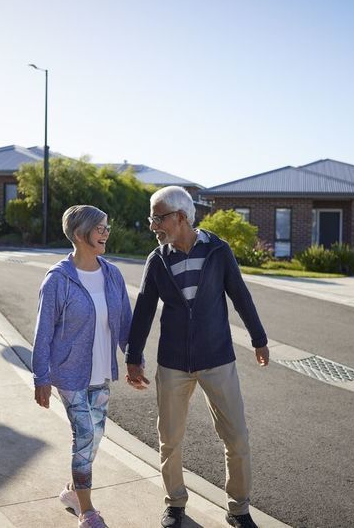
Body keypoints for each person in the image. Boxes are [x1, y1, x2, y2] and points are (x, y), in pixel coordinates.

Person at [125, 186, 269, 528]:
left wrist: (259, 338)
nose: (153, 226)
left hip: (218, 358)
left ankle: (239, 509)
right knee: (170, 438)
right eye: (151, 218)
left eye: (157, 218)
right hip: (173, 363)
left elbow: (240, 295)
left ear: (180, 217)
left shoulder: (218, 250)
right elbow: (144, 308)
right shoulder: (158, 259)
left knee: (236, 436)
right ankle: (175, 503)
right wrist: (134, 356)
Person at [32, 205, 132, 528]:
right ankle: (87, 512)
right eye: (99, 228)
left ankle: (73, 491)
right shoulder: (58, 280)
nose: (105, 233)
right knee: (85, 434)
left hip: (101, 370)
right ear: (79, 234)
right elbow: (43, 332)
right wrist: (41, 376)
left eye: (107, 227)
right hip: (69, 373)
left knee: (97, 435)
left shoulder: (112, 275)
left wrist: (134, 359)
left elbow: (126, 323)